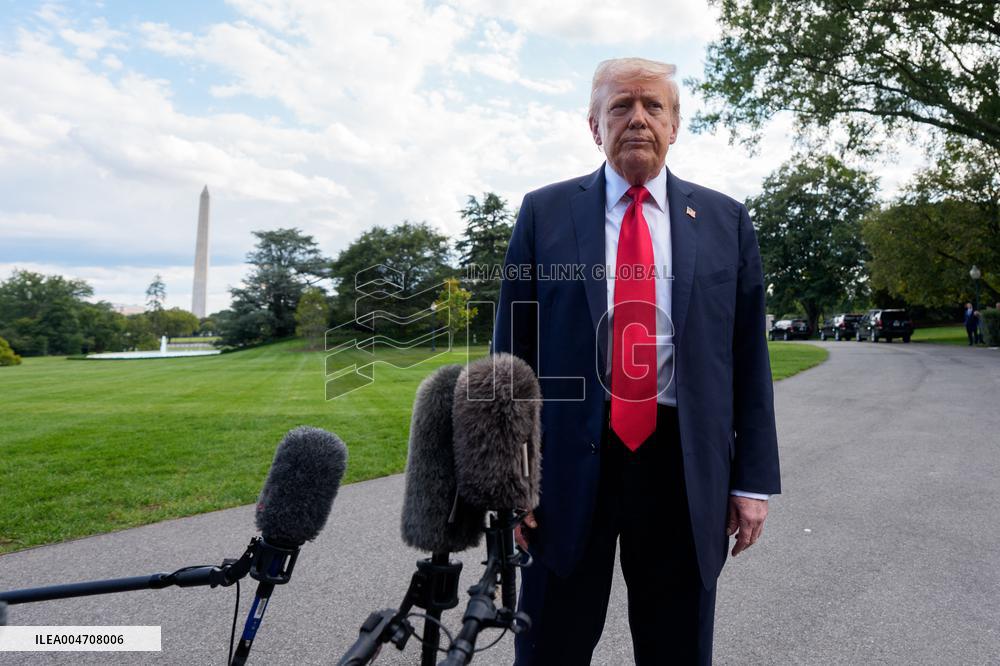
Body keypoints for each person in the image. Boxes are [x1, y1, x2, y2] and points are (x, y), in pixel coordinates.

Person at [492, 58, 780, 665]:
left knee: (676, 647)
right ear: (594, 125)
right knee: (550, 646)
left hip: (683, 466)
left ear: (675, 124)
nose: (638, 119)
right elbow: (511, 359)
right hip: (566, 468)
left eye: (654, 106)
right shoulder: (544, 214)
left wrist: (751, 481)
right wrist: (510, 479)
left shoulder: (727, 220)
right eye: (620, 106)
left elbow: (749, 361)